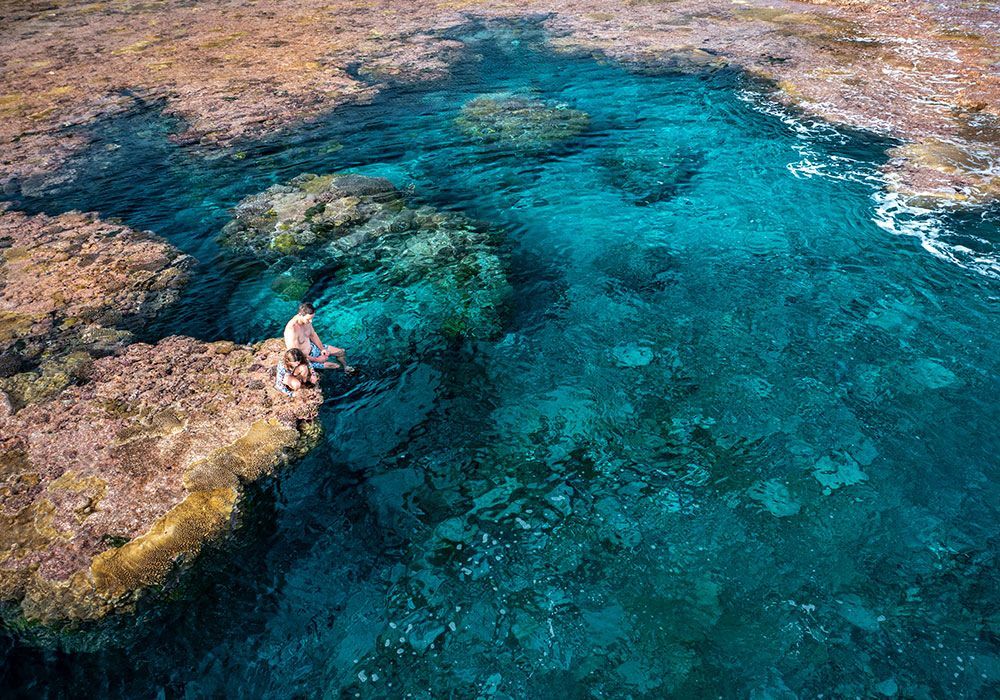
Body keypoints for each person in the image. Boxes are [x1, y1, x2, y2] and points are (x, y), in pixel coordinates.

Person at [283, 301, 354, 373]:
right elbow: (296, 355)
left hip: (313, 348)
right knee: (336, 365)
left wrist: (322, 349)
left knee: (341, 352)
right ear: (300, 315)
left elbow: (313, 335)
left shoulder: (306, 321)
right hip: (306, 358)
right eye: (308, 319)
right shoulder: (292, 330)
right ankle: (342, 369)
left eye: (312, 318)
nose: (311, 321)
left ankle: (346, 367)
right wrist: (317, 360)